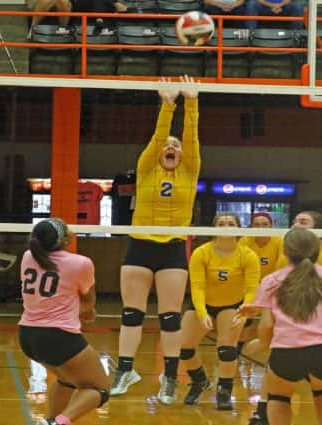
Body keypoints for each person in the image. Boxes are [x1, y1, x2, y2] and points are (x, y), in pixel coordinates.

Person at [111, 75, 201, 405]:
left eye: (176, 146)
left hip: (172, 248)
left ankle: (170, 377)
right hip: (140, 244)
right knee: (131, 314)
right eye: (168, 145)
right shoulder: (147, 168)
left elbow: (190, 141)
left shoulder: (189, 172)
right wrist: (168, 104)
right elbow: (158, 137)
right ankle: (125, 369)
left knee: (170, 317)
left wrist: (191, 103)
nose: (172, 147)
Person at [248, 210, 322, 425]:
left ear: (284, 252)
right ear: (318, 251)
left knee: (279, 397)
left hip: (287, 351)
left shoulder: (273, 280)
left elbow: (266, 324)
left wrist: (262, 343)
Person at [18, 218, 111, 425]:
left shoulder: (27, 257)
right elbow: (88, 303)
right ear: (64, 239)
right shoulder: (81, 263)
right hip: (59, 337)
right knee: (100, 390)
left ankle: (49, 421)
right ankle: (57, 423)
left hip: (27, 336)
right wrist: (88, 313)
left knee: (68, 380)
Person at [181, 213, 261, 409]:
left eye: (231, 223)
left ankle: (224, 390)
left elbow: (252, 288)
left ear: (239, 229)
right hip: (204, 303)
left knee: (226, 349)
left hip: (233, 305)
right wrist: (201, 313)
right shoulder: (202, 252)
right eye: (221, 223)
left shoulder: (248, 255)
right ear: (213, 229)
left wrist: (244, 309)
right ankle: (200, 381)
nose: (226, 226)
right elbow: (197, 287)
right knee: (184, 349)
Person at [237, 212, 283, 352]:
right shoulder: (245, 241)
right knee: (247, 315)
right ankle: (238, 347)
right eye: (256, 224)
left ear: (271, 226)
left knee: (276, 318)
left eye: (264, 224)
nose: (260, 227)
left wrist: (268, 285)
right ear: (251, 227)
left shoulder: (279, 240)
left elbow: (281, 266)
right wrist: (255, 285)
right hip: (251, 284)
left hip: (274, 285)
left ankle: (279, 347)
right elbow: (241, 265)